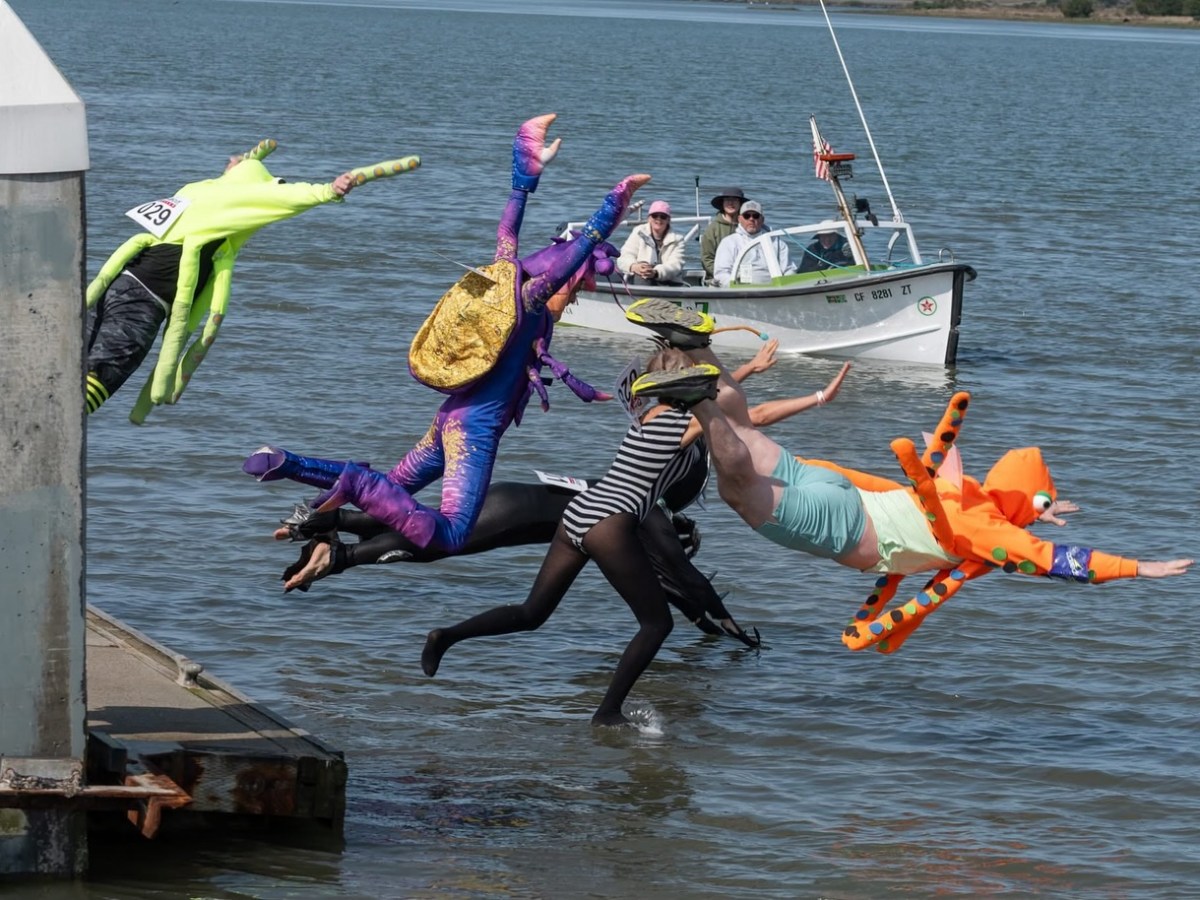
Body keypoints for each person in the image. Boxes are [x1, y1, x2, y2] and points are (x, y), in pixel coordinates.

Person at [625, 304, 1194, 654]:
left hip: (840, 485)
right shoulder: (989, 535)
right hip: (851, 527)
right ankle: (699, 401)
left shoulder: (962, 488)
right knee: (739, 489)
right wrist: (1138, 567)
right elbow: (1057, 562)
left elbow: (962, 469)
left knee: (745, 431)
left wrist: (1034, 503)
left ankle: (694, 344)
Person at [243, 114, 646, 556]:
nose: (572, 300)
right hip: (473, 431)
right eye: (577, 291)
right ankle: (323, 475)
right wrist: (615, 202)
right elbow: (584, 246)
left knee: (389, 491)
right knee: (450, 533)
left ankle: (287, 466)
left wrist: (524, 176)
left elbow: (507, 231)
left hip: (448, 420)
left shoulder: (503, 284)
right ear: (563, 279)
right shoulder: (531, 300)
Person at [421, 323, 849, 727]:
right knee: (656, 624)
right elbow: (752, 417)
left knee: (531, 613)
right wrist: (819, 397)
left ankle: (447, 636)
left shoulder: (648, 414)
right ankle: (607, 712)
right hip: (612, 522)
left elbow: (721, 404)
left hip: (579, 512)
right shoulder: (687, 425)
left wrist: (748, 370)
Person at [84, 140, 419, 423]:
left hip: (120, 281)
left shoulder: (199, 189)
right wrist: (329, 191)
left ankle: (43, 409)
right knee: (104, 372)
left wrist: (244, 165)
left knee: (73, 355)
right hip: (147, 300)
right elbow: (288, 198)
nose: (233, 159)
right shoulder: (244, 196)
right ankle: (59, 423)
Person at [271, 475, 762, 648]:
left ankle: (324, 527)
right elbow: (687, 577)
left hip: (511, 501)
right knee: (435, 542)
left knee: (427, 528)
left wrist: (711, 626)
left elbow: (677, 586)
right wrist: (735, 629)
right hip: (513, 513)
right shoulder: (648, 511)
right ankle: (335, 551)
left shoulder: (632, 502)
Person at [711, 200, 796, 287]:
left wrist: (784, 287)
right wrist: (736, 288)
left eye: (755, 216)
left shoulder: (777, 242)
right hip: (742, 293)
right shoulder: (729, 242)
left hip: (775, 292)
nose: (751, 219)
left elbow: (789, 269)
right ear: (739, 219)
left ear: (762, 220)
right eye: (747, 216)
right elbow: (721, 273)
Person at [617, 200, 685, 285]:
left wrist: (655, 272)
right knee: (641, 277)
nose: (658, 219)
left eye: (663, 216)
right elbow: (624, 257)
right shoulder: (639, 232)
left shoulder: (677, 239)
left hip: (669, 280)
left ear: (668, 220)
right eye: (655, 215)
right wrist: (634, 267)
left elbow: (676, 265)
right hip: (641, 278)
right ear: (649, 218)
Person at [699, 187, 747, 282]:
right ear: (722, 203)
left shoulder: (748, 226)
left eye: (735, 200)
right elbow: (707, 259)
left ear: (740, 203)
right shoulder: (712, 228)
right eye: (727, 200)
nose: (731, 203)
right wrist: (724, 277)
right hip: (716, 279)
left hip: (745, 276)